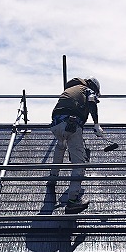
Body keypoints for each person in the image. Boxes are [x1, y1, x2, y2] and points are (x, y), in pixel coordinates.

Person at [48, 76, 104, 214]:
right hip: (71, 124)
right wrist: (96, 125)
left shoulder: (72, 89)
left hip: (56, 125)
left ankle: (52, 178)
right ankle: (73, 201)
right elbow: (91, 102)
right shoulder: (87, 89)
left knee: (60, 147)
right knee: (79, 163)